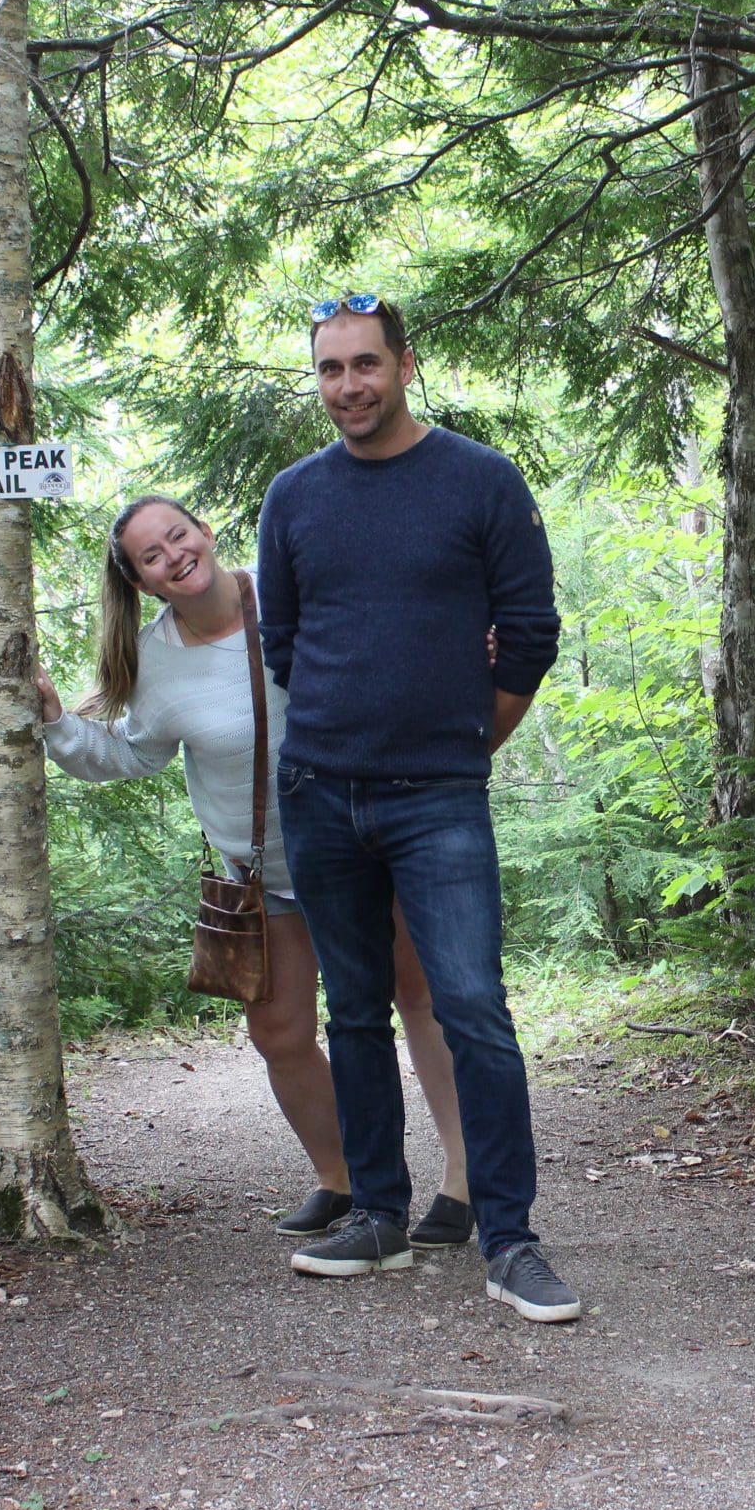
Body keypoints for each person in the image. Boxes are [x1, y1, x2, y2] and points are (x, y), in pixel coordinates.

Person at [35, 495, 476, 1248]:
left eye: (178, 534)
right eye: (152, 554)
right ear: (141, 581)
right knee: (278, 1031)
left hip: (366, 842)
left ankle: (464, 1182)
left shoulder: (289, 592)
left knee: (418, 996)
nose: (174, 554)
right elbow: (136, 753)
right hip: (262, 872)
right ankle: (345, 1181)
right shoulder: (153, 659)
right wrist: (53, 721)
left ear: (205, 532)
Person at [258, 292, 578, 1324]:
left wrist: (461, 739)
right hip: (317, 792)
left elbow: (529, 631)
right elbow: (286, 644)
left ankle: (512, 1237)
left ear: (404, 364)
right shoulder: (293, 496)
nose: (346, 386)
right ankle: (379, 1215)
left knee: (472, 1007)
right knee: (350, 1010)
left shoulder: (480, 480)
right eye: (329, 370)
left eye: (363, 365)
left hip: (437, 797)